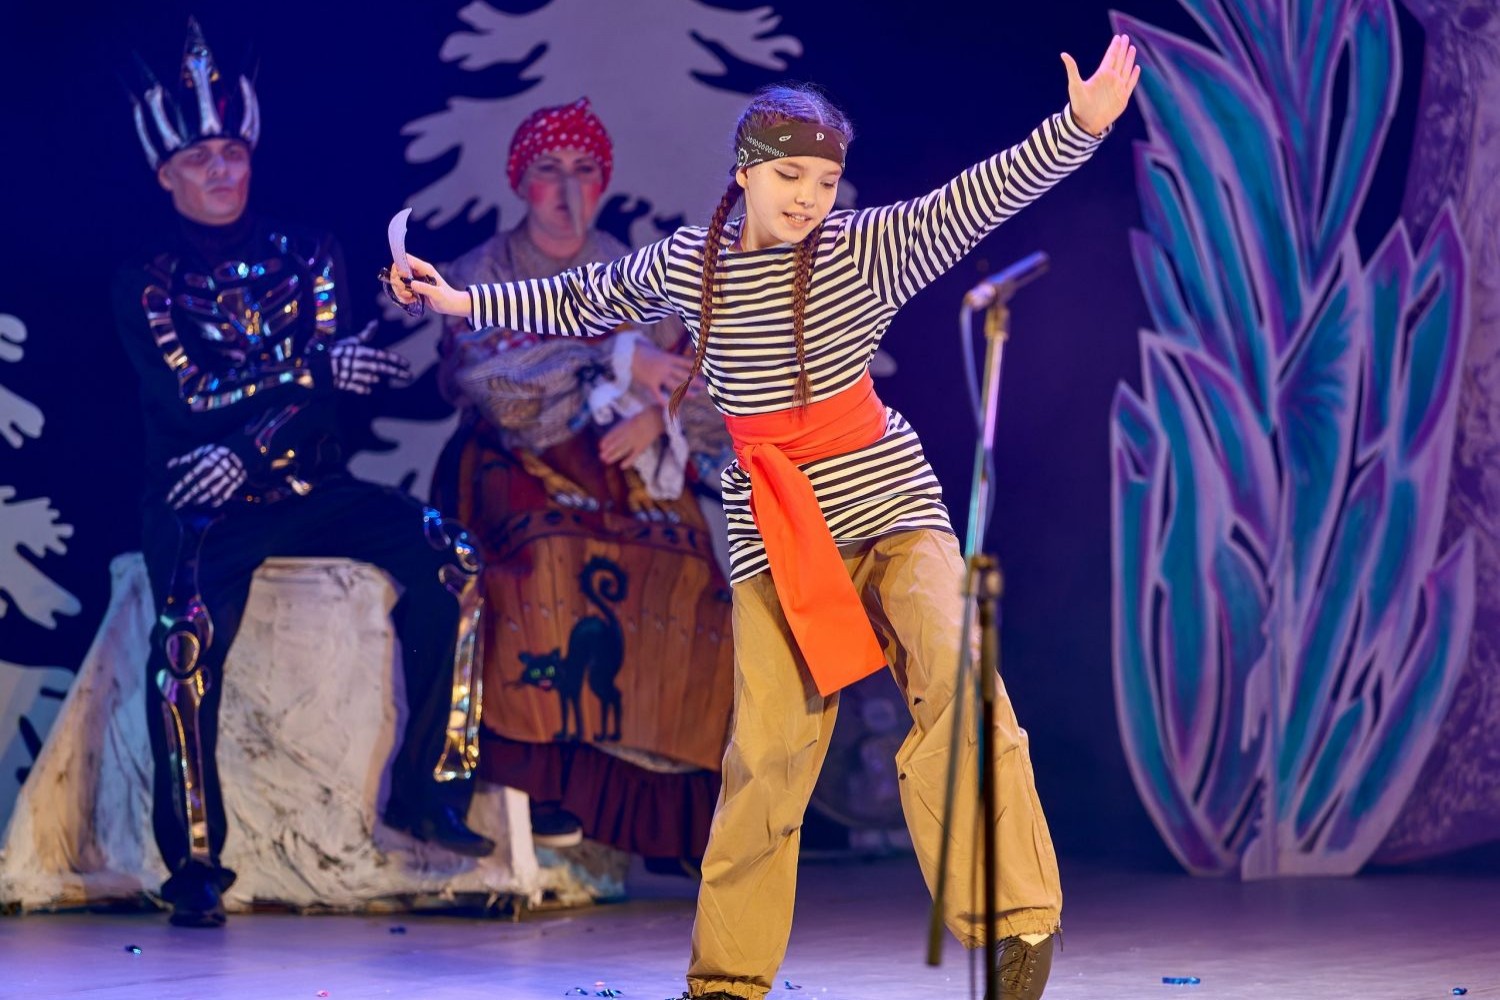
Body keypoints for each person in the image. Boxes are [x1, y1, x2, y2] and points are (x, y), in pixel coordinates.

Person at [391, 35, 1139, 1000]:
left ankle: (1014, 920)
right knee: (768, 757)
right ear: (744, 171)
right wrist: (462, 297)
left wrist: (1077, 127)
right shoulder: (692, 265)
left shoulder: (864, 248)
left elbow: (976, 197)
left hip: (888, 503)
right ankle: (729, 980)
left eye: (825, 181)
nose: (808, 198)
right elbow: (583, 295)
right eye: (789, 176)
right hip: (773, 524)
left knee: (957, 683)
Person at [114, 20, 494, 929]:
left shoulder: (310, 251)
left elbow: (323, 409)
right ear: (165, 173)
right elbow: (187, 398)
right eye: (200, 157)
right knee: (185, 641)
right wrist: (313, 373)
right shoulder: (146, 278)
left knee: (453, 558)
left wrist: (251, 444)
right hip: (201, 501)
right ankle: (194, 860)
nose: (221, 170)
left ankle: (428, 794)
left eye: (233, 152)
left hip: (309, 487)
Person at [430, 98, 737, 861]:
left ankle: (670, 817)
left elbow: (698, 377)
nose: (568, 191)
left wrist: (657, 415)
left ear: (604, 183)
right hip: (518, 457)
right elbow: (495, 384)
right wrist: (614, 361)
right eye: (549, 170)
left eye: (585, 171)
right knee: (547, 562)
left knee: (688, 572)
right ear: (520, 182)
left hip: (624, 459)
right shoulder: (481, 273)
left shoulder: (633, 271)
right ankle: (546, 785)